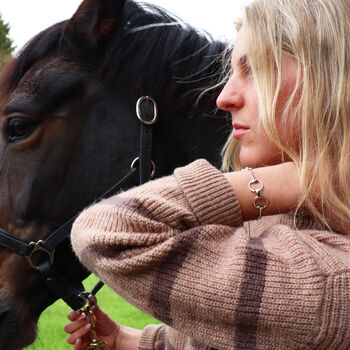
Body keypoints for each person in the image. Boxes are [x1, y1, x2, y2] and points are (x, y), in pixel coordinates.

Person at [64, 0, 350, 348]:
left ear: (333, 78)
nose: (224, 97)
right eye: (231, 73)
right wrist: (127, 339)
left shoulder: (331, 278)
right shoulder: (278, 220)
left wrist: (300, 181)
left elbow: (108, 233)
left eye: (255, 70)